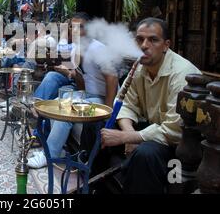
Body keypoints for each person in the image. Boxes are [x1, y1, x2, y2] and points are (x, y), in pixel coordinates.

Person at [81, 17, 201, 194]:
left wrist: (128, 138)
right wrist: (129, 133)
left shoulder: (182, 75)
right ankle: (95, 187)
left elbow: (174, 131)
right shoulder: (139, 67)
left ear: (166, 45)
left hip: (180, 145)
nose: (144, 45)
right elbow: (126, 104)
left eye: (153, 40)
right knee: (95, 125)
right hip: (153, 129)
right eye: (139, 39)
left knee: (146, 154)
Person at [27, 12, 119, 168]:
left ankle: (50, 155)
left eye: (80, 27)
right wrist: (76, 85)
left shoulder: (98, 49)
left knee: (66, 110)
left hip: (101, 98)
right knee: (55, 103)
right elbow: (81, 76)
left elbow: (112, 78)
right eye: (72, 27)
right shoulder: (77, 47)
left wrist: (108, 111)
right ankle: (55, 149)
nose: (75, 31)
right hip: (88, 94)